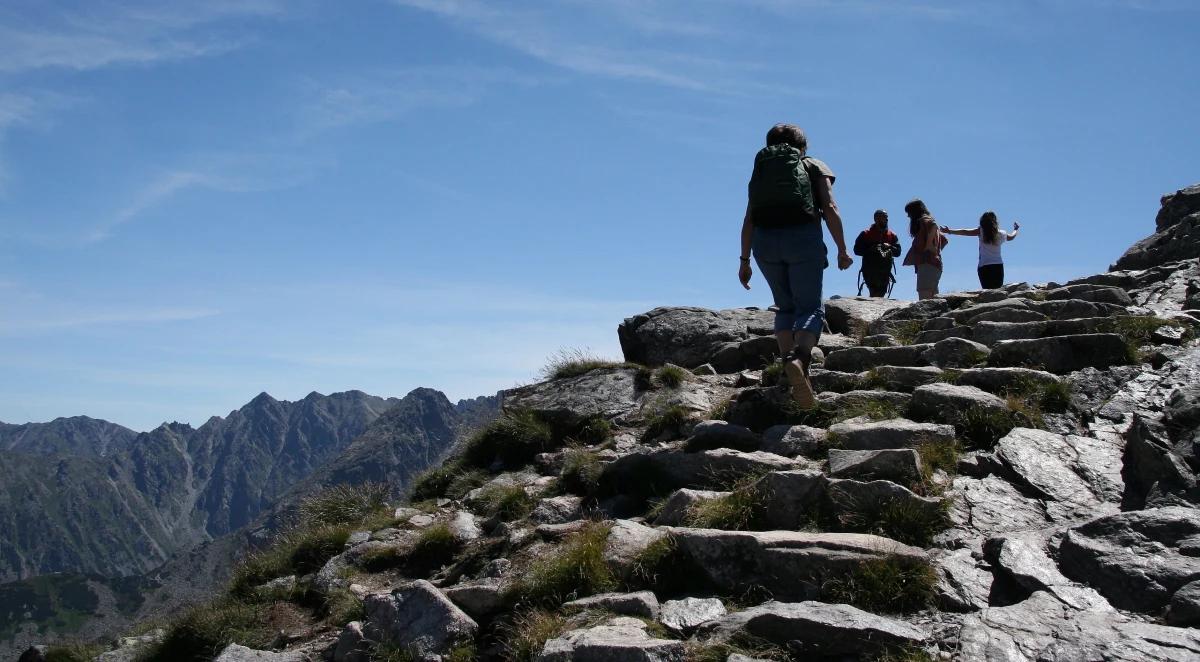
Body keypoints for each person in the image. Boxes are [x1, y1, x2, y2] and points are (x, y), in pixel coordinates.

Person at [738, 123, 853, 408]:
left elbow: (749, 218)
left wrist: (744, 260)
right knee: (810, 307)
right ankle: (800, 359)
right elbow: (830, 208)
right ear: (803, 145)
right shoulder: (814, 166)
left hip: (764, 244)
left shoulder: (762, 169)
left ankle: (786, 369)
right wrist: (842, 248)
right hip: (802, 239)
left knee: (785, 306)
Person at [941, 212, 1020, 290]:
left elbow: (964, 232)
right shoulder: (1001, 233)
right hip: (997, 266)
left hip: (984, 266)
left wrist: (949, 231)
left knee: (987, 292)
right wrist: (1016, 229)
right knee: (997, 291)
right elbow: (1011, 237)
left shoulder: (981, 231)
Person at [901, 199, 948, 300]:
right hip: (935, 264)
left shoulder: (923, 220)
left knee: (924, 298)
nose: (908, 216)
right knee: (934, 298)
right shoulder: (925, 222)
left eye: (909, 213)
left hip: (927, 264)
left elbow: (933, 225)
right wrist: (936, 250)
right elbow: (944, 240)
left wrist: (929, 245)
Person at [852, 209, 901, 297]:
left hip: (885, 270)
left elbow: (898, 252)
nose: (887, 219)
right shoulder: (866, 234)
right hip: (870, 269)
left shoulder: (892, 235)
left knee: (881, 293)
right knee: (873, 292)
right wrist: (871, 249)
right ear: (876, 219)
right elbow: (857, 250)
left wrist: (889, 246)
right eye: (884, 217)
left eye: (887, 217)